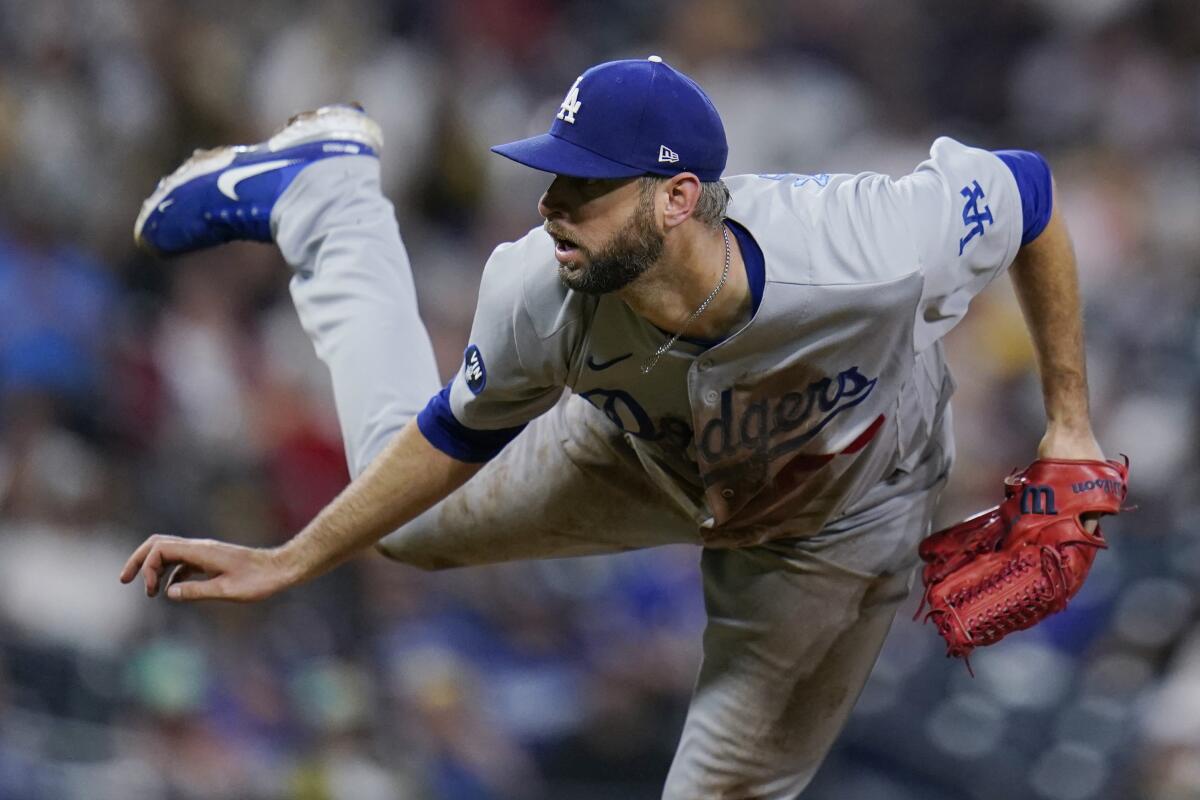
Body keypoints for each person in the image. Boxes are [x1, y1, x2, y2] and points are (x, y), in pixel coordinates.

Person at [121, 57, 1105, 798]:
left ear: (679, 197)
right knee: (396, 516)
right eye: (554, 177)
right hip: (633, 458)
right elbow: (450, 438)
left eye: (586, 186)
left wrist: (1070, 423)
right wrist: (296, 556)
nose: (552, 204)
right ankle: (329, 197)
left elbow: (1029, 190)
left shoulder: (867, 246)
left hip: (830, 523)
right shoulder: (537, 287)